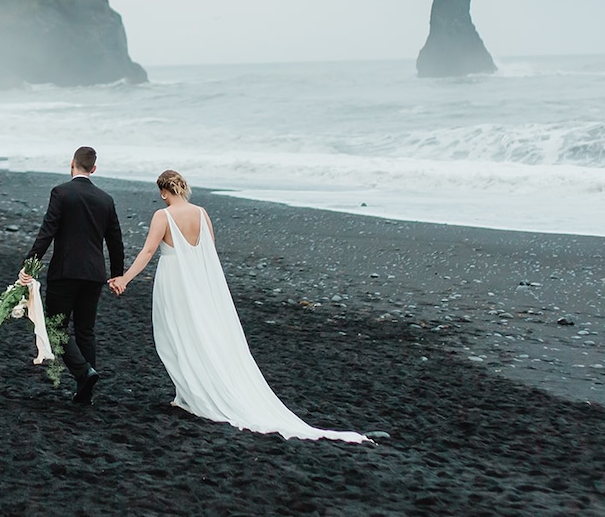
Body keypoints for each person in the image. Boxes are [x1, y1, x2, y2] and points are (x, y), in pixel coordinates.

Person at [109, 170, 370, 443]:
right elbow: (208, 252)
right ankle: (187, 392)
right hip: (197, 282)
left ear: (163, 192)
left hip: (173, 282)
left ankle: (188, 393)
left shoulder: (163, 216)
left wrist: (125, 278)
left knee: (176, 335)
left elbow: (148, 251)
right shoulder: (201, 214)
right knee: (201, 333)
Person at [22, 146, 125, 404]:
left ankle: (83, 372)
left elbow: (47, 232)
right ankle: (85, 391)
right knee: (85, 331)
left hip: (65, 272)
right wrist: (116, 274)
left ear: (72, 164)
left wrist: (29, 265)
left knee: (55, 327)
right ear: (94, 169)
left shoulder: (61, 193)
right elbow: (115, 241)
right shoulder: (105, 199)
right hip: (94, 274)